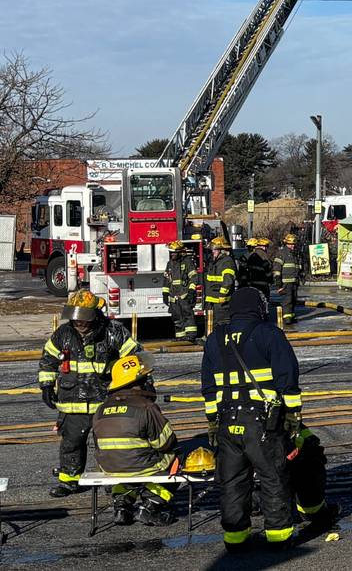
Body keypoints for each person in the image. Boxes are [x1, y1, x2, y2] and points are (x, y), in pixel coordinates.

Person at [200, 287, 302, 552]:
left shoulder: (214, 339)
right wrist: (293, 414)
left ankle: (236, 537)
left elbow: (209, 387)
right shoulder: (268, 334)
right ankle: (279, 537)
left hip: (226, 421)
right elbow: (287, 377)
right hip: (262, 423)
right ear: (259, 307)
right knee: (272, 476)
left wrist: (212, 421)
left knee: (232, 480)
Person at [36, 289, 142, 497]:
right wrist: (46, 385)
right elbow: (48, 359)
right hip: (72, 402)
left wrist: (140, 387)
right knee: (71, 442)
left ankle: (115, 480)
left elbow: (134, 360)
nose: (78, 323)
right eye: (75, 319)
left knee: (110, 444)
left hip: (106, 401)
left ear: (94, 315)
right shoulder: (63, 334)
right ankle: (69, 480)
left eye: (83, 319)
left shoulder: (114, 332)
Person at [93, 352, 178, 526]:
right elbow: (165, 443)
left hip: (109, 466)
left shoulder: (101, 409)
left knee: (128, 462)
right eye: (147, 377)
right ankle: (150, 506)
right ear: (138, 382)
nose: (150, 381)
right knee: (178, 459)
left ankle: (122, 505)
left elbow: (96, 443)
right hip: (140, 467)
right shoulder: (146, 406)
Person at [162, 240, 201, 344]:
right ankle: (180, 337)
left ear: (180, 252)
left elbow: (194, 277)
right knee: (177, 318)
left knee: (187, 316)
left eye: (174, 253)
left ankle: (190, 336)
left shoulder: (187, 262)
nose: (172, 255)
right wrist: (165, 293)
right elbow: (166, 279)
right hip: (173, 297)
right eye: (171, 253)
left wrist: (191, 290)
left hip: (185, 295)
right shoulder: (169, 264)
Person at [204, 236, 237, 330]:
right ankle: (210, 339)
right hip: (212, 300)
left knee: (222, 324)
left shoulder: (227, 262)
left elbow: (228, 281)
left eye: (215, 250)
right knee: (210, 322)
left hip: (221, 302)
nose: (212, 252)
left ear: (222, 250)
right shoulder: (215, 262)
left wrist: (222, 295)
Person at [271, 233, 302, 325]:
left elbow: (297, 267)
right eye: (290, 244)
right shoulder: (282, 253)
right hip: (285, 283)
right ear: (286, 243)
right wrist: (278, 285)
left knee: (293, 300)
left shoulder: (294, 255)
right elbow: (276, 270)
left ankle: (291, 317)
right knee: (287, 301)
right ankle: (287, 319)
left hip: (294, 282)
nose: (292, 246)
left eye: (293, 244)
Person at [242, 237, 273, 302]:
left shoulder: (251, 256)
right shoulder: (264, 255)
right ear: (264, 247)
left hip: (252, 284)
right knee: (264, 302)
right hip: (263, 285)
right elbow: (268, 271)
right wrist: (271, 280)